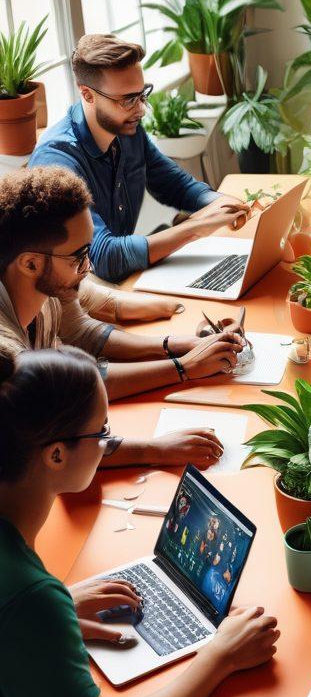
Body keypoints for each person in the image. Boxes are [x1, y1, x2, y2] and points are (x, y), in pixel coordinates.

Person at [0, 346, 279, 697]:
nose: (108, 445)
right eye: (101, 435)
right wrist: (217, 656)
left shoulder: (29, 590)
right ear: (55, 456)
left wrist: (57, 602)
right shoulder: (28, 601)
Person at [0, 166, 241, 469]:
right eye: (78, 256)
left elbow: (77, 378)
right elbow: (52, 444)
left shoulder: (43, 300)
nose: (88, 267)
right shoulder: (6, 354)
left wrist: (181, 350)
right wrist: (157, 449)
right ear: (30, 263)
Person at [29, 34, 251, 283]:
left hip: (124, 279)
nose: (141, 109)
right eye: (127, 100)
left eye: (142, 94)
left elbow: (174, 184)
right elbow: (103, 258)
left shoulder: (126, 130)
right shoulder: (57, 162)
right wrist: (196, 228)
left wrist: (222, 203)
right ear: (88, 95)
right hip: (82, 294)